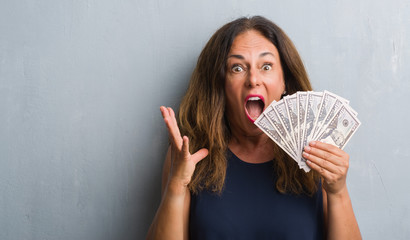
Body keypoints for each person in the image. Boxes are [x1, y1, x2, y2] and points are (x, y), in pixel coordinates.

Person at [146, 16, 361, 240]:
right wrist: (176, 187)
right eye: (237, 68)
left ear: (284, 81)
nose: (253, 79)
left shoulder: (317, 154)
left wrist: (338, 192)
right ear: (220, 85)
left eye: (266, 66)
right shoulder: (188, 156)